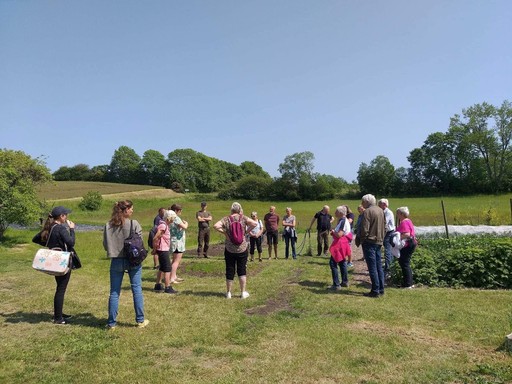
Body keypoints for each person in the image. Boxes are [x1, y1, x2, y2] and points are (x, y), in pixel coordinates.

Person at [103, 200, 148, 329]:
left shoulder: (108, 225)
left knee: (114, 292)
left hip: (116, 260)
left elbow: (106, 245)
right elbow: (140, 243)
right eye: (131, 208)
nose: (132, 211)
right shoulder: (134, 224)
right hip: (132, 260)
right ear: (125, 210)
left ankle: (111, 323)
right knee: (137, 289)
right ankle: (140, 320)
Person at [32, 206, 76, 325]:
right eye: (66, 214)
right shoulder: (61, 228)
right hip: (62, 262)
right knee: (61, 289)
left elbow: (35, 239)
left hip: (54, 261)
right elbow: (71, 242)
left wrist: (49, 244)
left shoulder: (50, 227)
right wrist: (71, 229)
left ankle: (59, 313)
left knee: (59, 287)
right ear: (61, 216)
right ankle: (58, 318)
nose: (67, 217)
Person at [213, 202, 257, 299]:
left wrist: (225, 233)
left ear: (231, 209)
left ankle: (228, 293)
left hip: (229, 248)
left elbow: (216, 226)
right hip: (242, 248)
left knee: (230, 269)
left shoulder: (226, 219)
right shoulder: (243, 218)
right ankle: (242, 292)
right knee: (242, 270)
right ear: (240, 209)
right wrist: (246, 232)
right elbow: (254, 223)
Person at [355, 194, 385, 298]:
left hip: (369, 241)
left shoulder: (367, 212)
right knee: (378, 266)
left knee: (372, 267)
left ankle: (375, 290)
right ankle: (381, 289)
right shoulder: (380, 210)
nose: (362, 204)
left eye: (363, 202)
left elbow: (364, 228)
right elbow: (384, 226)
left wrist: (362, 239)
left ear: (367, 202)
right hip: (379, 241)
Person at [152, 209, 178, 294]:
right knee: (167, 268)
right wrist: (154, 249)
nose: (173, 220)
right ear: (169, 218)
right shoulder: (163, 226)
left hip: (163, 249)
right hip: (163, 250)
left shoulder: (164, 225)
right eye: (173, 218)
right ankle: (168, 287)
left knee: (162, 268)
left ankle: (158, 285)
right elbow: (155, 237)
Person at [328, 206, 352, 291]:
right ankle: (345, 281)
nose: (335, 213)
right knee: (342, 262)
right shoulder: (343, 220)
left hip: (340, 244)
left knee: (333, 263)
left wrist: (333, 232)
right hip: (343, 243)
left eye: (336, 211)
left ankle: (336, 284)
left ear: (341, 213)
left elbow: (339, 234)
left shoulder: (342, 221)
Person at [396, 206, 416, 289]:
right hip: (411, 243)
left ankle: (407, 284)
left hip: (407, 244)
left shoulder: (404, 222)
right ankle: (409, 282)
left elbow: (407, 234)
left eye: (398, 214)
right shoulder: (408, 221)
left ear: (401, 214)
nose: (397, 216)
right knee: (405, 263)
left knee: (404, 263)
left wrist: (397, 238)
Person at [169, 203, 188, 284]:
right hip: (178, 242)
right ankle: (172, 278)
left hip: (173, 240)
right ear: (176, 210)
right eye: (180, 211)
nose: (180, 212)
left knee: (174, 260)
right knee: (176, 261)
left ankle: (174, 276)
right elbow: (184, 227)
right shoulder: (176, 218)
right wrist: (186, 223)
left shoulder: (170, 217)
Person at [378, 198, 396, 278]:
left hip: (388, 233)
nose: (378, 206)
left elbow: (384, 222)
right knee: (387, 250)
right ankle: (388, 267)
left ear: (384, 205)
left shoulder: (388, 212)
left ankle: (388, 269)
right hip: (385, 233)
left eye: (379, 204)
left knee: (387, 251)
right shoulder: (383, 212)